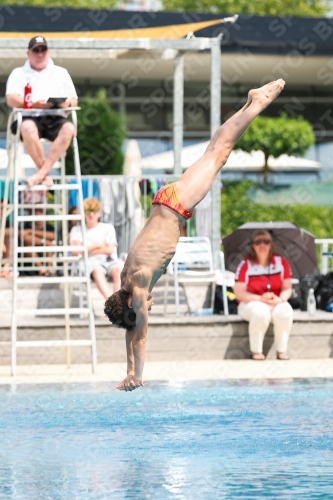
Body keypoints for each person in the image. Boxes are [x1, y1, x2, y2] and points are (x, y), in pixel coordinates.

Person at [104, 79, 286, 392]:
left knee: (220, 154)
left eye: (139, 311)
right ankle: (250, 103)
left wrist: (139, 374)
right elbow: (130, 331)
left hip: (177, 206)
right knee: (214, 151)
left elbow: (140, 335)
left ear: (132, 305)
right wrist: (128, 369)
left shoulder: (140, 285)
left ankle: (255, 105)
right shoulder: (125, 280)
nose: (148, 308)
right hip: (165, 200)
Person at [6, 35, 78, 188]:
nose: (40, 54)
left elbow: (74, 100)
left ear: (48, 51)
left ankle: (40, 174)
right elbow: (11, 99)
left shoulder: (61, 73)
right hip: (28, 117)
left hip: (55, 117)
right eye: (36, 50)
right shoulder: (18, 73)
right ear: (28, 53)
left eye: (43, 50)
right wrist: (34, 104)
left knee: (69, 128)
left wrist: (65, 103)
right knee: (27, 127)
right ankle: (44, 174)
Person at [233, 230, 293, 361]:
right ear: (253, 245)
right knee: (261, 311)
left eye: (266, 241)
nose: (262, 245)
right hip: (249, 303)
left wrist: (280, 299)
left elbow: (287, 287)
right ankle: (256, 351)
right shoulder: (245, 264)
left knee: (286, 310)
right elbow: (239, 292)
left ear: (271, 244)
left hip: (275, 302)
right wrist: (260, 298)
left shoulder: (281, 262)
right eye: (258, 242)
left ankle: (281, 350)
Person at [70, 198, 123, 299]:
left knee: (119, 271)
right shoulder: (76, 230)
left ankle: (117, 302)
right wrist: (98, 245)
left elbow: (109, 250)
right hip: (91, 263)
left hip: (109, 260)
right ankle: (111, 303)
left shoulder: (108, 227)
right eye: (88, 211)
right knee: (97, 271)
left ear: (99, 213)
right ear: (84, 213)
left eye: (94, 211)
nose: (91, 214)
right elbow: (74, 251)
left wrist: (85, 248)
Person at [21, 207, 56, 276]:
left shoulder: (49, 227)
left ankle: (49, 268)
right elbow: (24, 237)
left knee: (50, 245)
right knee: (28, 244)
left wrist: (31, 231)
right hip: (30, 258)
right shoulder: (26, 225)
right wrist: (45, 242)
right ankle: (42, 269)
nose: (38, 214)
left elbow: (53, 236)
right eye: (35, 212)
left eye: (40, 212)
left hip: (45, 254)